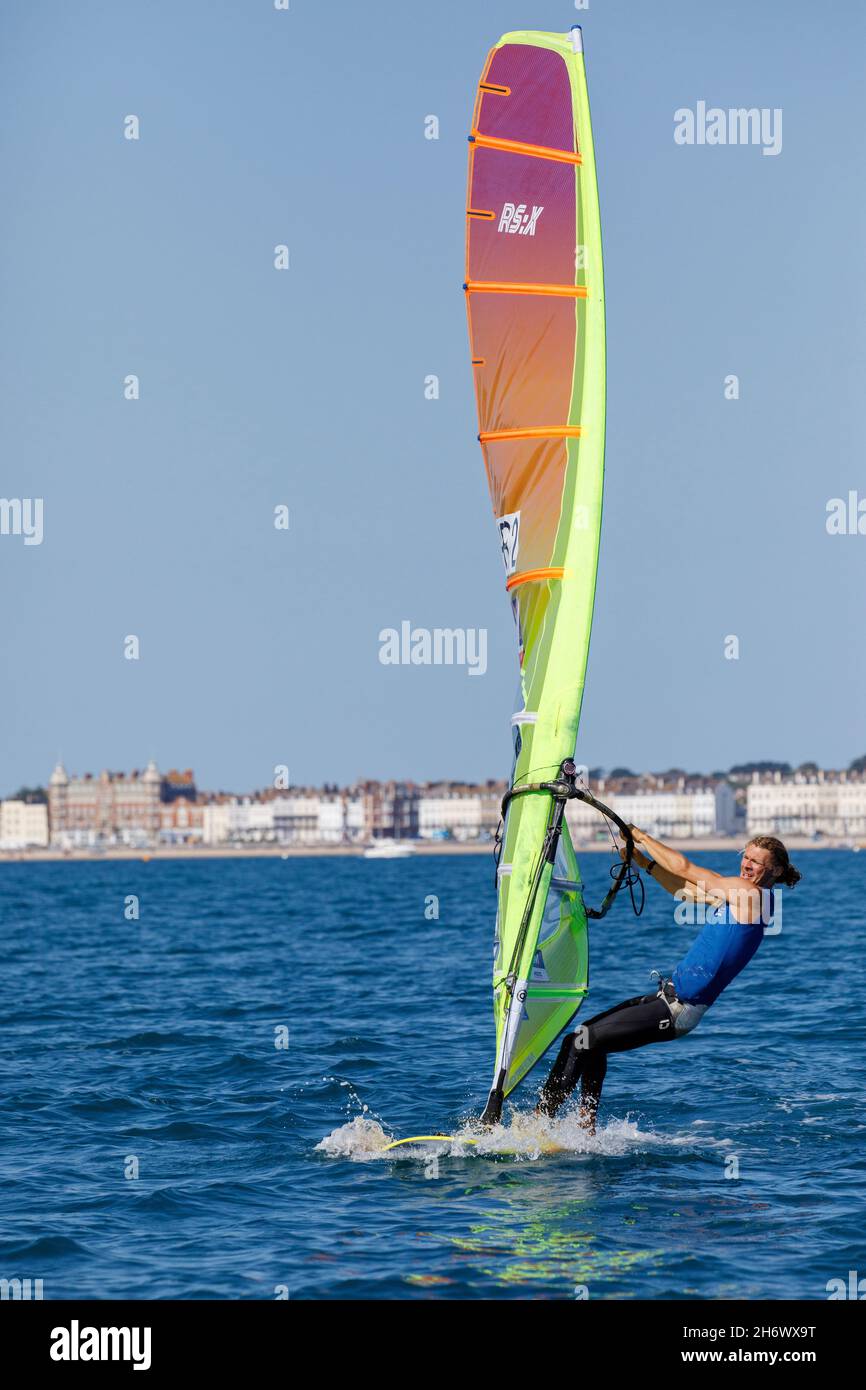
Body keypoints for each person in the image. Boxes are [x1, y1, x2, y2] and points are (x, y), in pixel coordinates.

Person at [536, 832, 801, 1131]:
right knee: (584, 1039)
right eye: (746, 857)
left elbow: (686, 868)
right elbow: (684, 890)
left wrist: (640, 836)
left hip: (678, 1010)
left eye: (757, 861)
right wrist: (643, 862)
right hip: (667, 1000)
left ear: (776, 871)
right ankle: (586, 1128)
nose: (747, 864)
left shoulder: (750, 895)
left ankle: (539, 1124)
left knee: (583, 1041)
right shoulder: (743, 897)